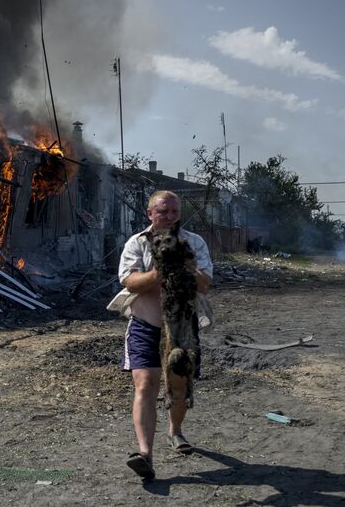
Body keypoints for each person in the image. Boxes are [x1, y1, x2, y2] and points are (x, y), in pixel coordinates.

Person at [107, 190, 213, 480]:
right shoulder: (137, 242)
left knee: (178, 385)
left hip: (180, 326)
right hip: (144, 325)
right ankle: (145, 455)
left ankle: (175, 431)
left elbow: (205, 284)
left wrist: (188, 268)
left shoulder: (193, 242)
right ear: (150, 213)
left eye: (174, 212)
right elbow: (129, 280)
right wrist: (161, 271)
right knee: (145, 385)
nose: (168, 217)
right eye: (163, 211)